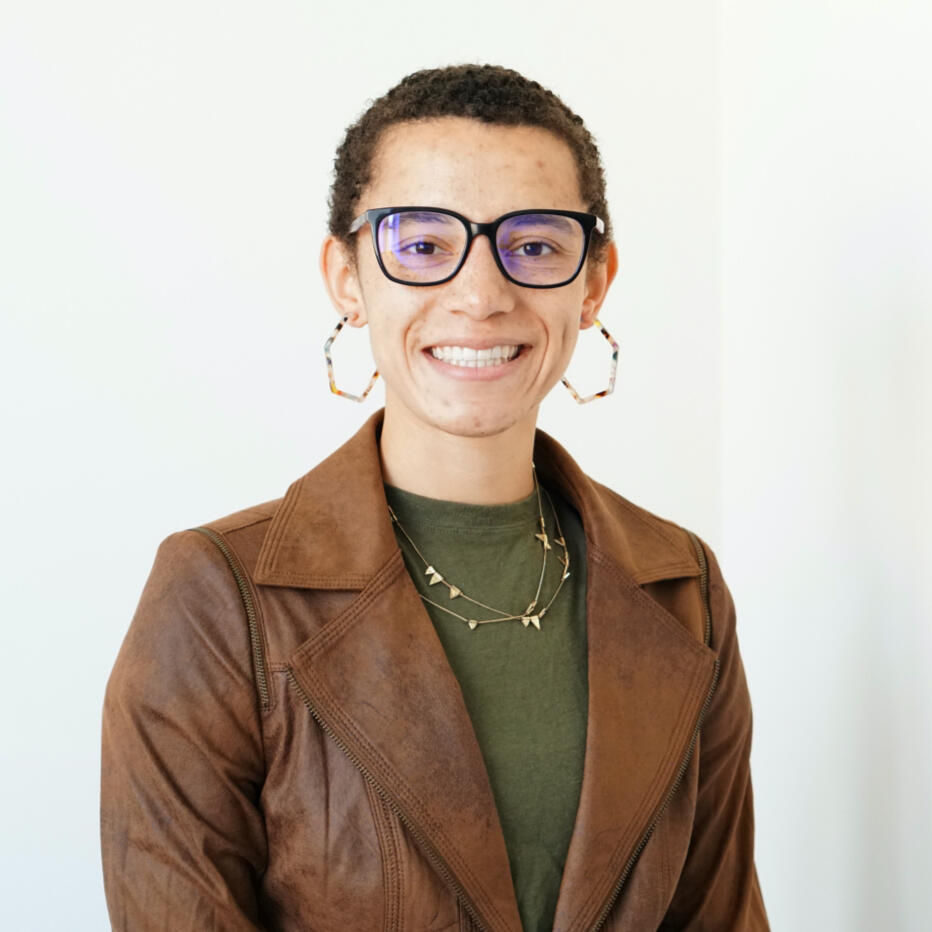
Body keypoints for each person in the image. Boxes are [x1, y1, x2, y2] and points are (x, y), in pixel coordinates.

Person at [101, 64, 769, 931]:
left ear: (593, 280)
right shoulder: (217, 595)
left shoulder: (682, 588)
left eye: (533, 245)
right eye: (421, 246)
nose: (482, 296)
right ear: (347, 276)